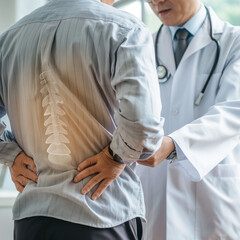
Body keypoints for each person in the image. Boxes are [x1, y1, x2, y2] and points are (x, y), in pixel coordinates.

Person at [0, 0, 165, 239]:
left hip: (31, 220)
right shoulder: (124, 30)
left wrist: (10, 154)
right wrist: (115, 156)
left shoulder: (8, 40)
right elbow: (143, 126)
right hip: (101, 214)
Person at [137, 0, 240, 239]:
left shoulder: (233, 42)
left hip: (213, 202)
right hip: (152, 199)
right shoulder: (140, 48)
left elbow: (234, 110)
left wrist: (174, 145)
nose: (155, 1)